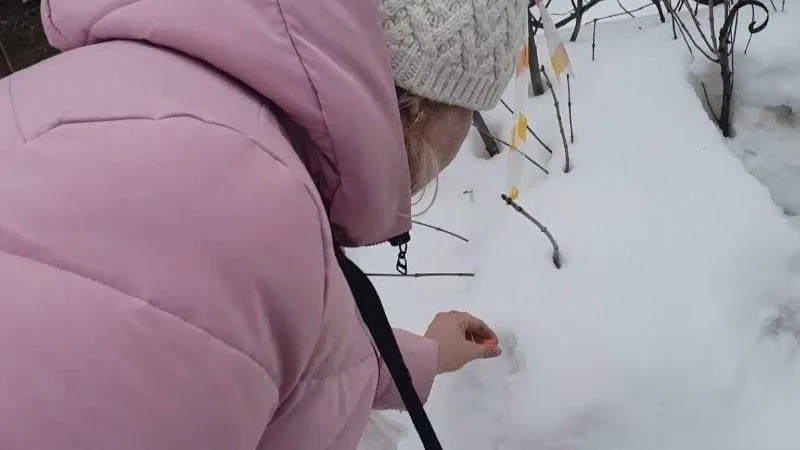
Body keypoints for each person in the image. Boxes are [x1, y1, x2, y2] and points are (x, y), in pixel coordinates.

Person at [0, 0, 527, 448]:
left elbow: (257, 351)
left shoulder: (174, 114)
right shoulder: (241, 204)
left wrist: (427, 357)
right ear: (422, 106)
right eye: (475, 104)